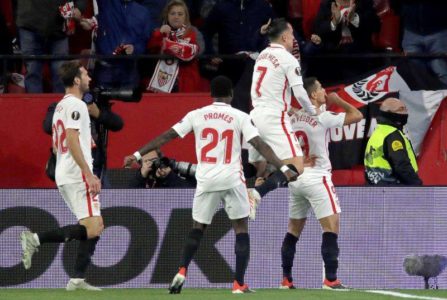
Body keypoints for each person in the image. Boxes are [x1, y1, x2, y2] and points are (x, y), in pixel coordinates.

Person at [123, 76, 298, 294]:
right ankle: (238, 283)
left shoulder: (196, 115)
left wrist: (138, 154)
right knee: (241, 228)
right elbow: (260, 145)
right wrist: (283, 168)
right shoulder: (240, 116)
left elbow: (167, 136)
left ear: (211, 95)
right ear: (231, 95)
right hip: (232, 178)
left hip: (206, 179)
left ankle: (182, 270)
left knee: (198, 228)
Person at [20, 60, 103, 291]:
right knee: (93, 227)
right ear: (76, 80)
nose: (89, 78)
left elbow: (58, 145)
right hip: (77, 173)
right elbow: (71, 137)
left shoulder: (60, 106)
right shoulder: (76, 105)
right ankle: (35, 239)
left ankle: (77, 279)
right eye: (85, 74)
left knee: (94, 224)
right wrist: (88, 173)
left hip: (66, 171)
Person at [280, 77, 362, 290]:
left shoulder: (292, 118)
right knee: (331, 227)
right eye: (321, 89)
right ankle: (331, 279)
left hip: (295, 177)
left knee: (293, 230)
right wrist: (338, 100)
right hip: (317, 176)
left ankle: (286, 279)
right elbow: (357, 115)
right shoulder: (322, 116)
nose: (325, 91)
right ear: (313, 96)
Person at [248, 18, 317, 206]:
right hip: (273, 117)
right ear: (285, 37)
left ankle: (244, 190)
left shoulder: (262, 54)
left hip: (254, 116)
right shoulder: (288, 58)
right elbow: (300, 92)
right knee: (296, 166)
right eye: (292, 34)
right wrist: (312, 112)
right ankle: (255, 195)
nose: (294, 39)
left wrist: (289, 106)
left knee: (259, 168)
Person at [16, 0, 86, 93]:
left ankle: (61, 106)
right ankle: (34, 106)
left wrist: (79, 7)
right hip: (29, 24)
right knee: (33, 72)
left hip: (58, 27)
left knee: (60, 73)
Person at [147, 0, 207, 93]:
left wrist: (169, 46)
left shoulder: (193, 32)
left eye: (180, 14)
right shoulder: (159, 31)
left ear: (186, 16)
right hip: (162, 81)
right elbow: (151, 49)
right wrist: (159, 34)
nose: (176, 17)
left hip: (187, 81)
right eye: (172, 13)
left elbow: (199, 50)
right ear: (167, 15)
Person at [364, 98, 422, 185]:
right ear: (390, 114)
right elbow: (401, 166)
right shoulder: (392, 135)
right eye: (401, 110)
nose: (405, 113)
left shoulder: (378, 132)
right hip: (394, 189)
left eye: (405, 109)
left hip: (377, 188)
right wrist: (417, 184)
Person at [127, 150, 195, 188]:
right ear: (141, 165)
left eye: (154, 160)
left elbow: (189, 193)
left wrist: (169, 177)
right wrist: (142, 176)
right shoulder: (138, 178)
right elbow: (129, 198)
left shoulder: (172, 172)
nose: (151, 163)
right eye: (147, 161)